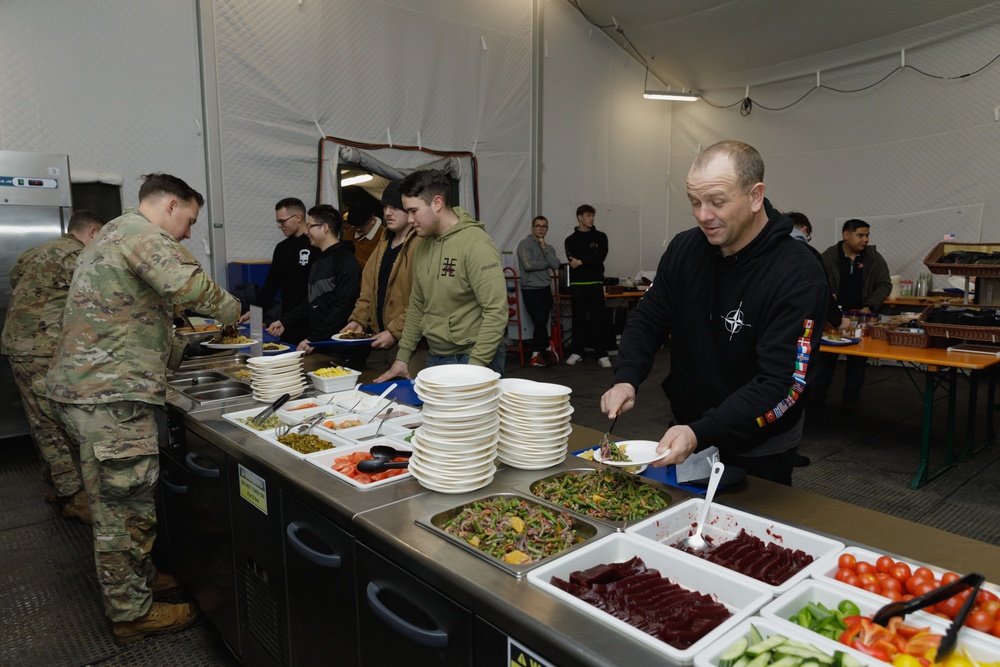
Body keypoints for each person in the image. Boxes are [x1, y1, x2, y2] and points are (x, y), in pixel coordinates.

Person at [44, 173, 240, 644]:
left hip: (92, 390)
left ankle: (139, 581)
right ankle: (130, 613)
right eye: (190, 221)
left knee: (121, 502)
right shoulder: (141, 235)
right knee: (122, 510)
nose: (190, 233)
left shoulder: (113, 231)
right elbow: (191, 290)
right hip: (108, 397)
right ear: (171, 206)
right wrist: (232, 310)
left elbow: (131, 312)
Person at [600, 141, 829, 485]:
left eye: (717, 202)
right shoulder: (685, 249)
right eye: (695, 202)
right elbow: (649, 317)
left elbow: (783, 384)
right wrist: (626, 377)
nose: (703, 215)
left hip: (757, 447)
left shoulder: (797, 274)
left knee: (747, 536)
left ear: (755, 196)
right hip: (687, 428)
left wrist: (701, 431)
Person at [1, 210, 106, 522]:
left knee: (39, 417)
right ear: (94, 232)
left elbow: (15, 280)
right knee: (53, 424)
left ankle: (53, 482)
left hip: (19, 346)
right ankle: (72, 497)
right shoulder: (77, 256)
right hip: (41, 351)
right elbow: (97, 302)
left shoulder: (34, 252)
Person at [374, 169, 507, 382]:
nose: (409, 219)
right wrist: (402, 357)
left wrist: (475, 369)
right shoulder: (423, 245)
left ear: (437, 203)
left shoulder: (475, 244)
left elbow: (496, 311)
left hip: (473, 356)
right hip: (436, 357)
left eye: (414, 211)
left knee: (469, 416)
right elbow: (417, 305)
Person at [809, 219, 892, 412]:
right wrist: (831, 311)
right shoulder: (829, 256)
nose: (865, 240)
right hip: (833, 319)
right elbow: (818, 284)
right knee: (825, 361)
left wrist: (869, 306)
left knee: (858, 362)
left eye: (867, 235)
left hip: (861, 319)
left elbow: (884, 284)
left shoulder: (873, 257)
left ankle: (851, 402)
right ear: (846, 235)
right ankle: (817, 399)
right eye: (860, 235)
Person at [341, 180, 421, 371]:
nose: (387, 213)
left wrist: (395, 332)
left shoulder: (421, 245)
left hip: (411, 345)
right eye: (385, 207)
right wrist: (358, 320)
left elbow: (423, 301)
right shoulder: (383, 245)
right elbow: (367, 292)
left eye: (395, 207)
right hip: (378, 342)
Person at [267, 204, 361, 351]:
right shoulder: (320, 259)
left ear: (324, 228)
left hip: (338, 347)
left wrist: (314, 339)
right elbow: (312, 300)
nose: (306, 232)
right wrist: (284, 321)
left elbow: (343, 307)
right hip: (321, 342)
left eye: (310, 226)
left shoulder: (345, 261)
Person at [237, 198, 316, 344]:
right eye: (278, 222)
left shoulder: (316, 245)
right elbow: (271, 285)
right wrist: (253, 312)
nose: (279, 226)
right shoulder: (282, 248)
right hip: (288, 318)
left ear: (298, 217)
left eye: (282, 221)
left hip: (313, 318)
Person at [564, 204, 612, 368]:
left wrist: (583, 261)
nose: (591, 218)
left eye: (592, 216)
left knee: (598, 319)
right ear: (579, 217)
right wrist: (588, 259)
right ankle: (577, 352)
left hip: (595, 284)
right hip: (577, 285)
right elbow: (573, 262)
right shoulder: (570, 240)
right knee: (578, 319)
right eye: (588, 215)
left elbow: (600, 257)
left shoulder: (601, 237)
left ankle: (602, 354)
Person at [517, 215, 561, 367]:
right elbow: (528, 265)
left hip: (545, 289)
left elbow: (556, 265)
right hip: (531, 289)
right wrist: (546, 263)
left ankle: (541, 351)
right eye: (538, 226)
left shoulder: (549, 248)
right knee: (539, 321)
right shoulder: (524, 244)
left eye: (544, 226)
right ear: (532, 228)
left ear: (547, 229)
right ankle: (542, 350)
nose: (541, 228)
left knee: (542, 323)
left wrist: (543, 248)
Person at [345, 197, 385, 271]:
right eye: (355, 226)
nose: (358, 229)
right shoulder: (350, 232)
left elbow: (376, 269)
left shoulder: (383, 237)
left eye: (362, 226)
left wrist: (351, 260)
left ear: (372, 219)